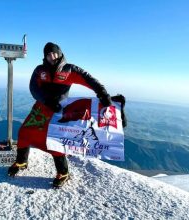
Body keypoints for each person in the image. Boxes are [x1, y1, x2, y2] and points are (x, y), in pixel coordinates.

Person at [8, 42, 112, 187]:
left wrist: (102, 93)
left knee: (55, 141)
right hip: (41, 108)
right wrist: (46, 100)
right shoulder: (40, 70)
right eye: (48, 54)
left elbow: (89, 80)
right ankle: (21, 162)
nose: (52, 57)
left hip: (59, 111)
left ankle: (63, 173)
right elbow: (34, 88)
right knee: (25, 132)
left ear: (60, 53)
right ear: (45, 56)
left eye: (54, 53)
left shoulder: (69, 69)